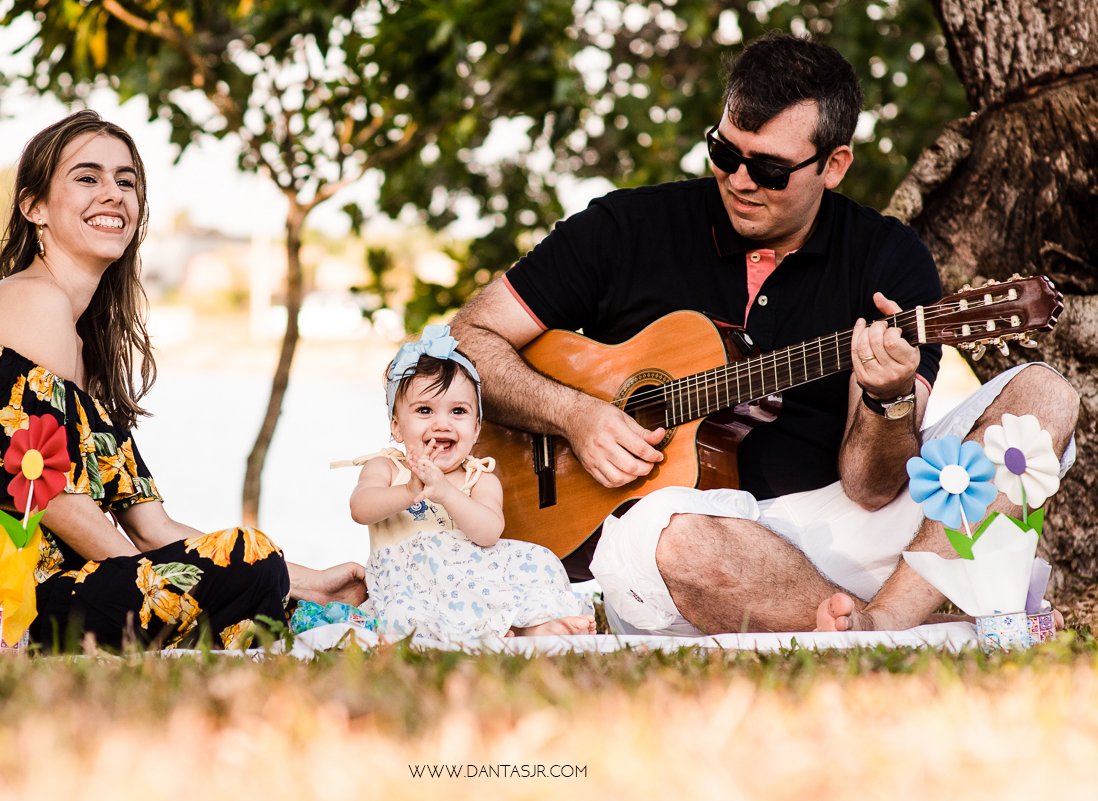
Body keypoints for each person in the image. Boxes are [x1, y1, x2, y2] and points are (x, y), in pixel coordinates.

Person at [451, 33, 1079, 636]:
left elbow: (871, 487)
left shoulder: (887, 257)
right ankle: (903, 619)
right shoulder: (624, 227)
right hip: (702, 548)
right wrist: (575, 416)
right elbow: (471, 337)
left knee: (1046, 396)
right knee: (666, 536)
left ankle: (883, 621)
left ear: (834, 165)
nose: (740, 180)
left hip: (850, 528)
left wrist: (887, 398)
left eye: (771, 170)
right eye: (725, 154)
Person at [0, 110, 366, 650]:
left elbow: (153, 529)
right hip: (2, 605)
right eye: (88, 177)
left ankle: (287, 600)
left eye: (127, 181)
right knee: (246, 563)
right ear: (34, 207)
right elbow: (46, 494)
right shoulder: (31, 302)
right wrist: (167, 578)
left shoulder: (80, 343)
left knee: (252, 559)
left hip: (63, 590)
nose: (114, 194)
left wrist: (308, 579)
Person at [334, 325, 595, 641]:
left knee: (541, 560)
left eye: (458, 411)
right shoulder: (388, 468)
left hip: (470, 581)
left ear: (476, 429)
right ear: (397, 427)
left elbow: (488, 533)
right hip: (410, 588)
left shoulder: (479, 477)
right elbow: (360, 508)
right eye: (424, 410)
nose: (441, 423)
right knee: (409, 618)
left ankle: (532, 625)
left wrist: (445, 492)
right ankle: (500, 631)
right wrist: (408, 491)